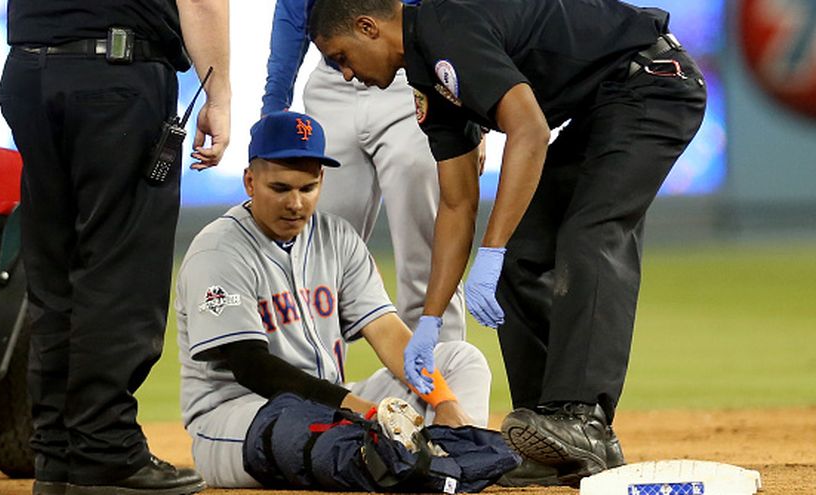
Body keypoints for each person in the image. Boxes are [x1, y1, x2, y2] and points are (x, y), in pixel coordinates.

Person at [308, 0, 707, 486]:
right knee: (523, 255)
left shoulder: (446, 28)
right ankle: (549, 432)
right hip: (605, 106)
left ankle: (584, 420)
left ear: (368, 27)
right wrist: (430, 318)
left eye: (340, 56)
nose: (346, 74)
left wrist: (490, 248)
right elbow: (456, 204)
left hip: (653, 83)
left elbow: (530, 130)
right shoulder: (429, 84)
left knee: (590, 233)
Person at [175, 111, 491, 488]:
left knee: (461, 360)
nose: (295, 203)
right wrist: (364, 413)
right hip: (240, 418)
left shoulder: (336, 237)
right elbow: (251, 367)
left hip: (333, 407)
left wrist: (443, 401)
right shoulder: (219, 250)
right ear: (250, 181)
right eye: (280, 188)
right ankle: (414, 468)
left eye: (307, 188)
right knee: (309, 428)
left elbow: (387, 332)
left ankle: (451, 463)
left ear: (322, 181)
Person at [0, 1, 229, 494]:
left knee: (54, 275)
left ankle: (58, 457)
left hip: (28, 73)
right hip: (116, 75)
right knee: (120, 273)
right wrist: (219, 95)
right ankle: (104, 450)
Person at [261, 0, 470, 340]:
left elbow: (447, 9)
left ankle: (440, 369)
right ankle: (311, 371)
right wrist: (273, 106)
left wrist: (469, 109)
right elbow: (292, 11)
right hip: (334, 76)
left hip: (410, 74)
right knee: (316, 259)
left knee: (424, 255)